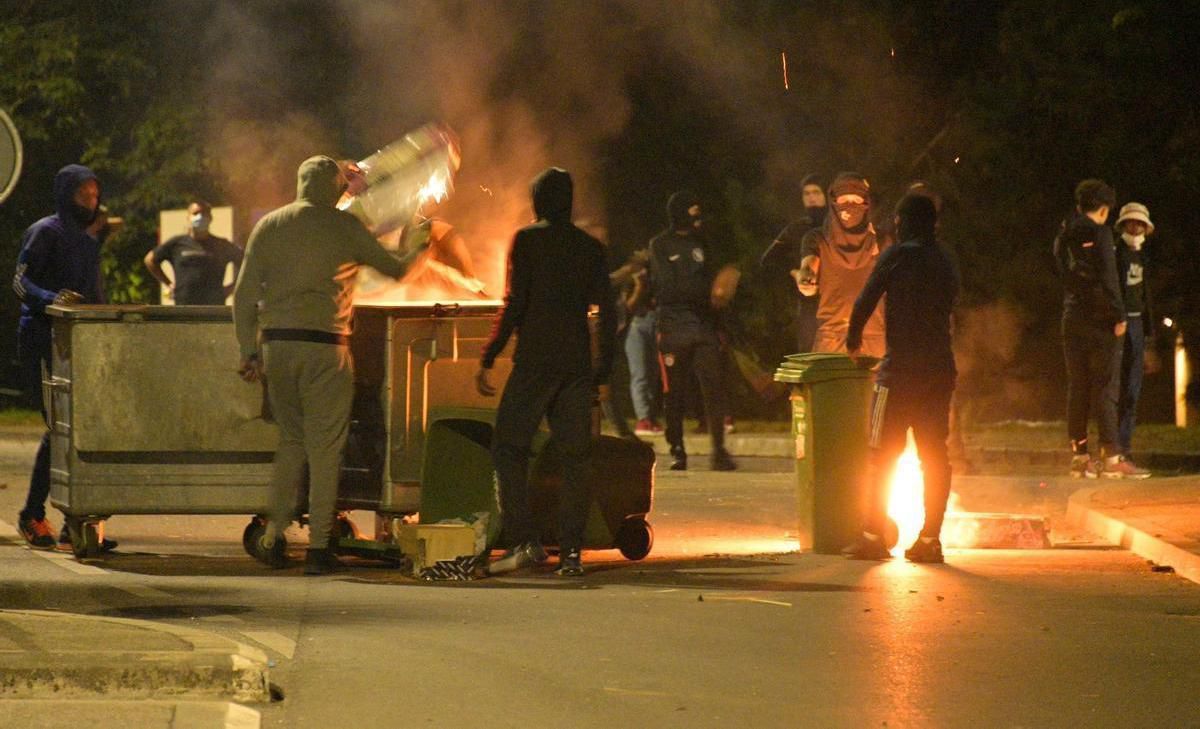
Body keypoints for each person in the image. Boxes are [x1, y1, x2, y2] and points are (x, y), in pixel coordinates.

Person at [233, 155, 429, 574]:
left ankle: (272, 535)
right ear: (335, 189)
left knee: (291, 442)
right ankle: (320, 548)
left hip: (278, 349)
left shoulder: (270, 225)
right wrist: (420, 243)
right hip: (326, 349)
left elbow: (244, 295)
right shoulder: (345, 227)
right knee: (325, 450)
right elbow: (397, 270)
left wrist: (248, 352)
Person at [475, 167, 616, 577]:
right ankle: (572, 554)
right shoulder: (589, 248)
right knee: (576, 458)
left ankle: (524, 541)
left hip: (535, 361)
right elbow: (608, 310)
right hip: (574, 363)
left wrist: (489, 356)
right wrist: (603, 369)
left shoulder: (527, 240)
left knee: (508, 446)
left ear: (536, 202)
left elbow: (514, 302)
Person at [841, 193, 959, 563]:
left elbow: (865, 299)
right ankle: (930, 539)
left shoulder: (896, 256)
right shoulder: (945, 259)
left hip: (898, 375)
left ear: (901, 221)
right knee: (934, 456)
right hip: (939, 372)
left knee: (881, 456)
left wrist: (853, 341)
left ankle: (874, 535)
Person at [11, 164, 116, 551]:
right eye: (82, 194)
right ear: (64, 195)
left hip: (80, 345)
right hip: (42, 340)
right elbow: (20, 282)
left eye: (94, 195)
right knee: (57, 428)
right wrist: (50, 300)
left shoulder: (88, 243)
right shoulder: (45, 232)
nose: (90, 201)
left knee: (82, 431)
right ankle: (32, 515)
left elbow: (95, 295)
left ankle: (77, 522)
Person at [1053, 179, 1142, 478]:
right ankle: (1112, 457)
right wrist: (1119, 315)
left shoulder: (1064, 232)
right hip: (1100, 321)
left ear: (1080, 205)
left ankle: (1080, 456)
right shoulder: (1101, 233)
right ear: (1104, 209)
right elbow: (1108, 276)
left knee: (1077, 386)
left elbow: (1062, 270)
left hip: (1072, 316)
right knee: (1105, 387)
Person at [645, 191, 736, 472]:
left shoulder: (702, 243)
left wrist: (720, 323)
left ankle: (719, 451)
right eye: (692, 212)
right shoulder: (660, 244)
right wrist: (707, 294)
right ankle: (677, 450)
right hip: (673, 328)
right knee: (675, 393)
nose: (697, 218)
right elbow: (669, 287)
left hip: (703, 328)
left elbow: (712, 284)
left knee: (714, 388)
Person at [797, 172, 888, 357]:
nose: (850, 207)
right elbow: (809, 266)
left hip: (875, 343)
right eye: (844, 200)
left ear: (866, 204)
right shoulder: (817, 239)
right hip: (832, 342)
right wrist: (806, 278)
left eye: (856, 200)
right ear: (833, 203)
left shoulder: (882, 241)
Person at [760, 173, 827, 353]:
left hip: (840, 300)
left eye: (816, 192)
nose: (811, 197)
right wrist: (795, 273)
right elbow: (769, 259)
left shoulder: (839, 226)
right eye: (807, 193)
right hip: (809, 302)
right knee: (809, 353)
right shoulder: (797, 228)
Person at [1113, 202, 1156, 477]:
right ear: (1123, 225)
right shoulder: (1116, 255)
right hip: (1119, 325)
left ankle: (1124, 448)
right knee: (1114, 388)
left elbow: (1146, 297)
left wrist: (1149, 337)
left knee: (1132, 390)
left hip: (1138, 325)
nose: (1136, 227)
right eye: (1132, 223)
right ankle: (1113, 450)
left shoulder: (1143, 257)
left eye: (1140, 224)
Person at [144, 200, 243, 305]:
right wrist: (168, 283)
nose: (200, 217)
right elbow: (150, 260)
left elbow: (247, 264)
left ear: (210, 218)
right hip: (184, 306)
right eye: (195, 213)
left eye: (204, 213)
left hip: (214, 307)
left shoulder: (222, 245)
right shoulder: (177, 243)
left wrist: (232, 288)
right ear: (188, 217)